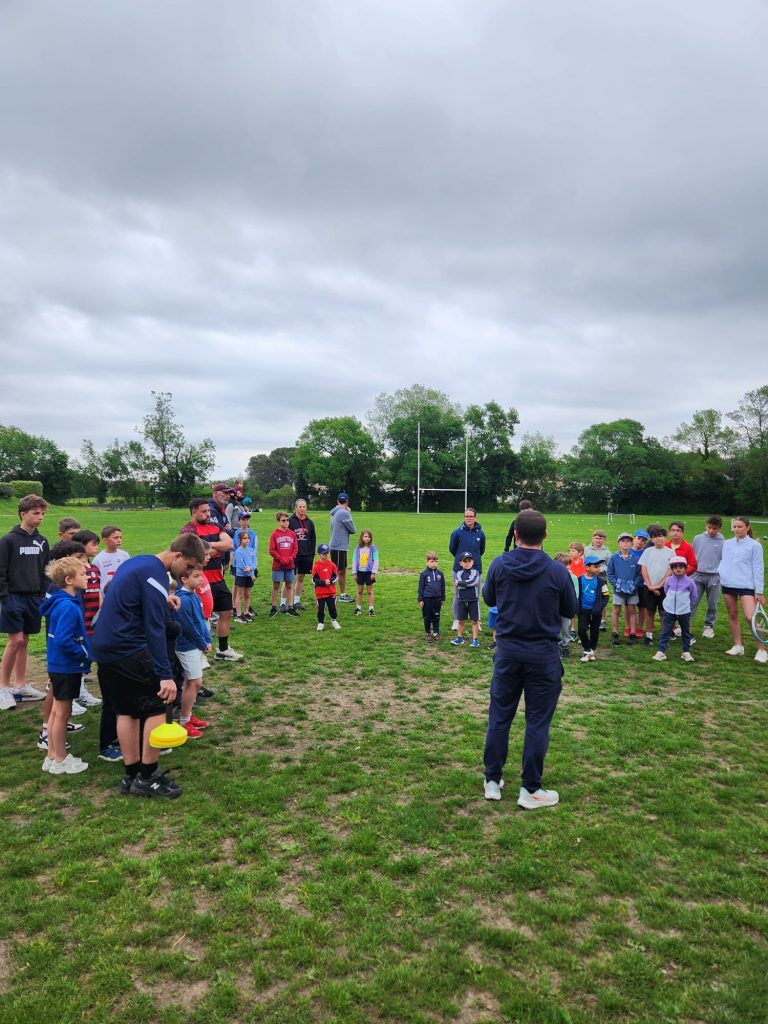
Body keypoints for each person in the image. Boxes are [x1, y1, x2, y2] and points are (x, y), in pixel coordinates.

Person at [90, 533, 206, 798]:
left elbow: (125, 593)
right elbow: (155, 629)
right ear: (177, 556)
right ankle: (147, 776)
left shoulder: (139, 563)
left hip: (105, 648)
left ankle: (130, 775)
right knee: (156, 705)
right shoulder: (157, 576)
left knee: (125, 711)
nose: (187, 572)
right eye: (188, 567)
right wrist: (164, 675)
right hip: (129, 648)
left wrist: (162, 597)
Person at [482, 509, 577, 808]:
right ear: (545, 536)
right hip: (541, 656)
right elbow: (570, 609)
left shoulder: (500, 564)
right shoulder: (558, 571)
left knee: (500, 717)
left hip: (509, 653)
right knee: (537, 722)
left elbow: (489, 598)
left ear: (516, 535)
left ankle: (494, 780)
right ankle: (527, 788)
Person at [38, 556, 91, 775]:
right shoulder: (68, 607)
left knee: (57, 713)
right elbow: (63, 639)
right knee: (63, 712)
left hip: (58, 665)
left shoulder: (62, 603)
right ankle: (60, 758)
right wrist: (83, 653)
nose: (87, 577)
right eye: (83, 574)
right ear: (69, 580)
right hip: (66, 666)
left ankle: (52, 756)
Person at [0, 493, 50, 711]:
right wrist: (5, 597)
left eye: (42, 513)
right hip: (12, 597)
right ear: (23, 514)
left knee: (25, 640)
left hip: (33, 598)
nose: (40, 517)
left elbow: (45, 571)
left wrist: (41, 595)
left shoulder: (42, 541)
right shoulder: (8, 540)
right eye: (35, 513)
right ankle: (3, 688)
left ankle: (20, 685)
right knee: (15, 639)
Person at [181, 498, 242, 661]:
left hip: (218, 578)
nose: (208, 514)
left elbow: (229, 544)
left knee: (226, 612)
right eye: (204, 511)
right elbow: (194, 553)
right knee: (200, 619)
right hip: (199, 582)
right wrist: (212, 547)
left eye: (209, 511)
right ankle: (199, 653)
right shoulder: (188, 530)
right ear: (194, 512)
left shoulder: (215, 526)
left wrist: (207, 546)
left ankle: (222, 649)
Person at [719, 515, 766, 663]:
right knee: (732, 613)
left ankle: (762, 650)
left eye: (740, 526)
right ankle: (738, 645)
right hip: (728, 584)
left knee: (750, 616)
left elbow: (758, 568)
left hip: (747, 586)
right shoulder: (727, 543)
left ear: (747, 527)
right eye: (735, 526)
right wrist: (722, 575)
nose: (737, 529)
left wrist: (759, 591)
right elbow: (724, 562)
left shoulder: (755, 546)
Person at [175, 564, 212, 738]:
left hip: (197, 644)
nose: (200, 579)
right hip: (187, 646)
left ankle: (187, 716)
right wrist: (202, 643)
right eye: (196, 576)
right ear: (184, 579)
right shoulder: (182, 599)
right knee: (195, 682)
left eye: (200, 576)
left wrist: (208, 639)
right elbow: (187, 627)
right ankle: (184, 721)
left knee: (191, 682)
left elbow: (201, 620)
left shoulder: (194, 597)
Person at [71, 530, 103, 709]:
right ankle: (73, 695)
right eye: (93, 544)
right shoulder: (75, 570)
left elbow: (98, 592)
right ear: (81, 547)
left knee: (87, 656)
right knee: (77, 656)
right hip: (80, 620)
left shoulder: (94, 568)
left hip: (94, 620)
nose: (96, 547)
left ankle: (81, 691)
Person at [652, 556, 697, 663]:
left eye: (681, 566)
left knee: (686, 632)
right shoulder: (668, 580)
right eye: (675, 567)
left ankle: (686, 652)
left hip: (684, 611)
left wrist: (686, 606)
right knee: (665, 631)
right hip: (669, 610)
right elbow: (667, 591)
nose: (678, 568)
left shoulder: (690, 582)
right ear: (671, 569)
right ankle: (661, 651)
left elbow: (694, 596)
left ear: (685, 568)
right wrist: (670, 605)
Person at [448, 509, 486, 630]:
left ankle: (476, 620)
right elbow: (452, 549)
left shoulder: (481, 534)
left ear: (475, 517)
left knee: (476, 595)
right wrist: (462, 561)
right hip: (459, 569)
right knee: (458, 595)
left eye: (471, 516)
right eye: (466, 516)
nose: (469, 518)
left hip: (476, 568)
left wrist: (472, 562)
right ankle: (457, 620)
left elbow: (481, 550)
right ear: (464, 517)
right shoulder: (456, 533)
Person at [638, 526, 676, 645]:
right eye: (655, 537)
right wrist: (650, 585)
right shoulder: (647, 551)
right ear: (652, 539)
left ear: (665, 537)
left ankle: (665, 634)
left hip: (664, 588)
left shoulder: (670, 552)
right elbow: (643, 569)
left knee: (663, 611)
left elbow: (671, 570)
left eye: (660, 536)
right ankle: (649, 635)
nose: (658, 539)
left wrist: (660, 585)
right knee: (650, 611)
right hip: (649, 587)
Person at [691, 516, 725, 639]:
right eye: (709, 528)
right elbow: (692, 555)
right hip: (697, 575)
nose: (711, 531)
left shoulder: (723, 542)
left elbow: (724, 559)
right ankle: (685, 624)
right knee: (692, 601)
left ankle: (708, 626)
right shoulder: (698, 538)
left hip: (714, 577)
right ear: (706, 526)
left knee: (712, 603)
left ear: (719, 529)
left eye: (714, 529)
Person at [606, 532, 642, 645]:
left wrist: (633, 585)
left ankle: (632, 633)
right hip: (618, 590)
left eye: (628, 541)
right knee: (616, 610)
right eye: (623, 541)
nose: (625, 543)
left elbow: (639, 575)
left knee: (632, 610)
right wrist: (616, 584)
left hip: (632, 590)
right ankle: (615, 633)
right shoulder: (613, 558)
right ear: (618, 543)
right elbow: (610, 573)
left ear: (632, 543)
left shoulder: (635, 559)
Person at [576, 555, 609, 663]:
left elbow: (606, 596)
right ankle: (587, 649)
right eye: (595, 566)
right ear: (587, 567)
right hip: (583, 610)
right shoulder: (579, 580)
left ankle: (591, 650)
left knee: (595, 632)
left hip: (596, 611)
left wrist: (599, 608)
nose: (598, 569)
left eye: (599, 566)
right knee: (581, 629)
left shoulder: (601, 582)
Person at [268, 512, 299, 617]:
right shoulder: (275, 534)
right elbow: (272, 550)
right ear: (278, 521)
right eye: (283, 520)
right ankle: (273, 607)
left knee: (289, 585)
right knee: (276, 585)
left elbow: (295, 549)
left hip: (289, 565)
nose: (286, 522)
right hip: (278, 565)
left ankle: (290, 607)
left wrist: (290, 558)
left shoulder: (292, 534)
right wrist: (280, 559)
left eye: (287, 520)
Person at [288, 498, 316, 610]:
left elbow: (313, 539)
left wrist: (311, 553)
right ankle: (284, 603)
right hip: (293, 555)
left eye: (304, 506)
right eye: (300, 507)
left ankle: (297, 601)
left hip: (306, 555)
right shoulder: (290, 521)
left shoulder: (310, 522)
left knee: (301, 577)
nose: (302, 509)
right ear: (295, 508)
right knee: (289, 578)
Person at [329, 493, 356, 601]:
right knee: (338, 572)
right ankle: (333, 594)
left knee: (341, 570)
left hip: (337, 546)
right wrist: (349, 513)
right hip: (339, 546)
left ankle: (342, 594)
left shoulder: (334, 512)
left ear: (337, 501)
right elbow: (352, 529)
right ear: (347, 502)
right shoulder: (344, 513)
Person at [450, 552, 481, 648]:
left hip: (473, 600)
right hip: (462, 599)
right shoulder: (459, 573)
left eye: (469, 561)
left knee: (474, 621)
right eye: (465, 561)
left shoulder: (476, 572)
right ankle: (460, 638)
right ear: (460, 563)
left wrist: (460, 583)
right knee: (461, 621)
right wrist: (464, 584)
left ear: (473, 562)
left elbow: (472, 582)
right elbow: (460, 586)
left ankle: (475, 640)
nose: (467, 563)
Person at [583, 530, 613, 630]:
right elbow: (583, 563)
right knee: (588, 598)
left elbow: (611, 566)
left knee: (600, 600)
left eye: (601, 538)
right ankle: (588, 619)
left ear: (604, 540)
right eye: (596, 538)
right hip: (588, 578)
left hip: (601, 579)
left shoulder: (607, 552)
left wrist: (601, 569)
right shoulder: (586, 550)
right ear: (593, 538)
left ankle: (602, 620)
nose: (598, 540)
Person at [232, 511, 257, 619]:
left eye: (247, 519)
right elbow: (234, 548)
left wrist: (251, 568)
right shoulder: (236, 533)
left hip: (250, 566)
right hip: (240, 566)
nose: (245, 521)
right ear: (239, 521)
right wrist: (232, 562)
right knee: (237, 588)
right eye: (243, 519)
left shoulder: (253, 533)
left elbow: (254, 551)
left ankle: (246, 611)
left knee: (247, 592)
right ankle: (235, 609)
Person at [553, 552, 577, 658]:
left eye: (568, 564)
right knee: (555, 627)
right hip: (554, 607)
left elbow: (575, 593)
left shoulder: (573, 577)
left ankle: (566, 646)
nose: (566, 567)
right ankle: (556, 646)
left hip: (566, 607)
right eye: (564, 565)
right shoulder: (552, 576)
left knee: (566, 627)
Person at [93, 525, 130, 594]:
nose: (119, 540)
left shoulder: (125, 555)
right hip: (106, 595)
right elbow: (97, 581)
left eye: (120, 537)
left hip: (123, 592)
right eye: (115, 538)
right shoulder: (98, 559)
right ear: (105, 540)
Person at [312, 544, 341, 631]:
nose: (326, 555)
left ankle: (334, 620)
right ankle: (321, 622)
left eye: (327, 553)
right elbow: (314, 579)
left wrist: (331, 581)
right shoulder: (316, 566)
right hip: (320, 592)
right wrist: (323, 582)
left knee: (332, 607)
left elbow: (336, 576)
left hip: (331, 592)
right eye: (324, 553)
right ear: (319, 554)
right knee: (320, 609)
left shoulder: (332, 565)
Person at [418, 552, 445, 642]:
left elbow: (443, 586)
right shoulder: (424, 574)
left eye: (436, 561)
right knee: (427, 617)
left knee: (436, 616)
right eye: (432, 561)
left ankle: (436, 633)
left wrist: (443, 598)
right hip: (427, 599)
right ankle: (428, 633)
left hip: (437, 599)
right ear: (427, 562)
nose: (434, 563)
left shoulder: (440, 574)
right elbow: (421, 587)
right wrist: (420, 599)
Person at [352, 529, 379, 617]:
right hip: (360, 572)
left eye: (369, 537)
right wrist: (354, 572)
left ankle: (371, 609)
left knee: (369, 591)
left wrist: (373, 572)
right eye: (365, 536)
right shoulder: (358, 548)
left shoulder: (373, 548)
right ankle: (358, 608)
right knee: (360, 590)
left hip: (369, 573)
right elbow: (354, 560)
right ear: (362, 537)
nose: (367, 538)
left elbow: (376, 560)